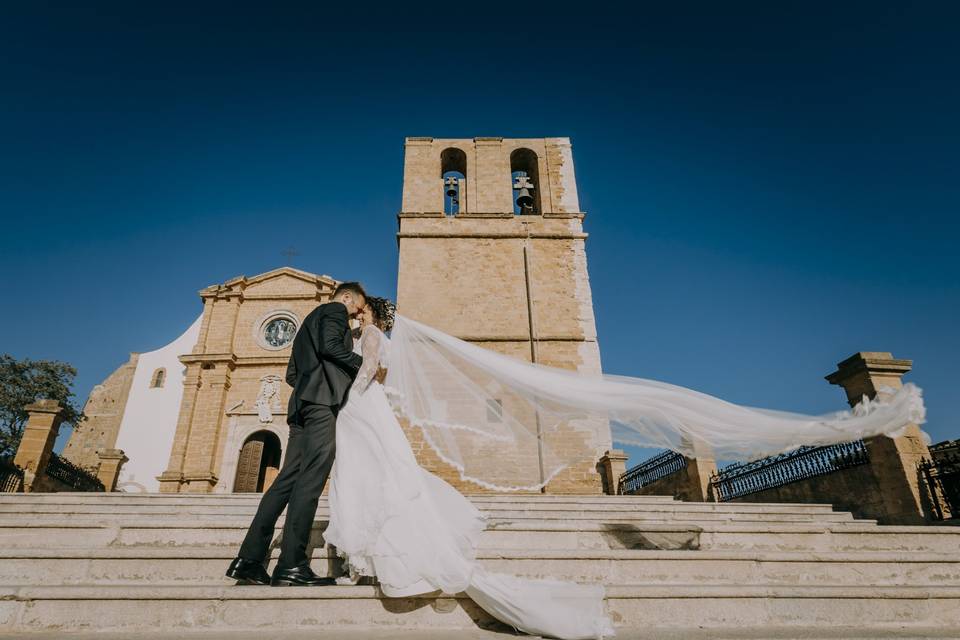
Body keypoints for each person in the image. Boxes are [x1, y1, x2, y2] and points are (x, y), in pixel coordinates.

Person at [324, 297, 616, 640]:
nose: (353, 314)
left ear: (370, 313)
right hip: (367, 411)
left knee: (373, 474)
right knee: (372, 473)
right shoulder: (366, 335)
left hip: (360, 405)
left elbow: (369, 369)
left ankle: (372, 558)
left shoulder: (370, 333)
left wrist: (347, 399)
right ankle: (365, 557)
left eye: (358, 310)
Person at [225, 282, 367, 587]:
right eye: (355, 309)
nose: (355, 317)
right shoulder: (332, 310)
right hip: (320, 405)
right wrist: (363, 364)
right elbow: (332, 347)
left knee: (285, 482)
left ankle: (248, 560)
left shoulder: (307, 324)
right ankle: (292, 564)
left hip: (301, 405)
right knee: (311, 481)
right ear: (346, 298)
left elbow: (291, 374)